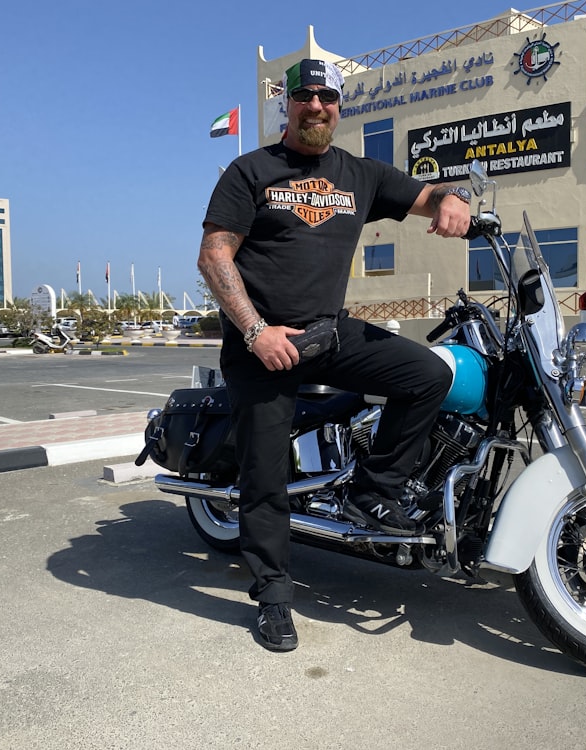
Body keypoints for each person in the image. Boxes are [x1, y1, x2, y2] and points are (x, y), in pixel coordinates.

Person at [198, 58, 472, 652]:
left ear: (339, 107)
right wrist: (255, 332)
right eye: (306, 98)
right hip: (261, 345)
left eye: (327, 98)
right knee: (264, 474)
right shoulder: (251, 170)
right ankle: (273, 595)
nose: (316, 107)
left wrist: (452, 201)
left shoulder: (360, 174)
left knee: (427, 373)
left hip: (329, 333)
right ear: (288, 106)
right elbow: (215, 256)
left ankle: (373, 489)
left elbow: (426, 195)